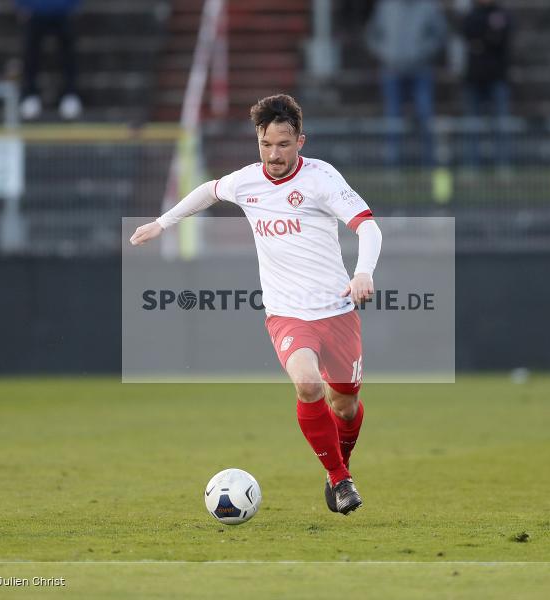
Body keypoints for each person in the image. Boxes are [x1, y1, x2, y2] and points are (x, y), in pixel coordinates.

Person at [129, 95, 383, 515]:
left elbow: (367, 227)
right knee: (306, 385)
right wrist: (161, 223)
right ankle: (340, 482)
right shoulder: (247, 181)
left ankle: (339, 468)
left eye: (283, 144)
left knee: (346, 406)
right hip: (286, 313)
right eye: (266, 144)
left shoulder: (322, 179)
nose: (274, 154)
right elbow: (207, 192)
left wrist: (364, 272)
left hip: (337, 310)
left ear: (300, 141)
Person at [365, 0, 448, 167]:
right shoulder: (386, 7)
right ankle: (393, 166)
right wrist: (386, 53)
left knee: (424, 114)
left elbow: (440, 35)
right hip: (392, 70)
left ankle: (428, 164)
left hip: (421, 70)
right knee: (392, 117)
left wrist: (423, 52)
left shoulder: (428, 7)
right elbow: (372, 35)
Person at [462, 0, 513, 172]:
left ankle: (503, 165)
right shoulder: (471, 14)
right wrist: (488, 37)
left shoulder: (501, 13)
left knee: (501, 124)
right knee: (471, 125)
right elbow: (468, 33)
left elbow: (501, 38)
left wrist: (482, 42)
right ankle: (471, 165)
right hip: (474, 77)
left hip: (497, 77)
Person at [16, 0, 83, 120]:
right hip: (37, 10)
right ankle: (29, 94)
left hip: (63, 10)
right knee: (31, 53)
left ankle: (71, 94)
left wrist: (74, 4)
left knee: (69, 53)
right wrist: (23, 4)